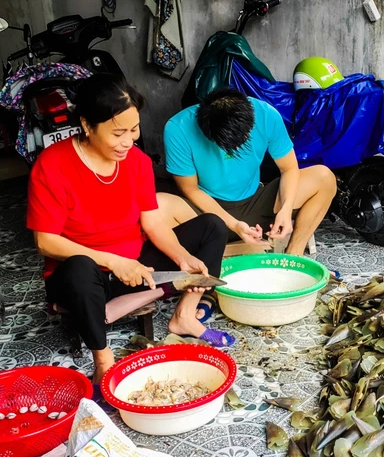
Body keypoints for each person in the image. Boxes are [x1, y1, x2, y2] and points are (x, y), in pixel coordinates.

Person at [27, 73, 233, 385]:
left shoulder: (136, 161)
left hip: (137, 267)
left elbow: (151, 221)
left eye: (134, 130)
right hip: (82, 278)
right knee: (81, 269)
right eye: (118, 133)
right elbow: (46, 241)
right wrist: (112, 261)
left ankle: (185, 317)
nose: (129, 141)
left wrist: (181, 256)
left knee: (211, 227)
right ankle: (103, 359)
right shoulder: (53, 164)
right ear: (86, 125)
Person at [163, 88, 337, 256]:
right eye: (230, 145)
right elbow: (190, 189)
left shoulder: (266, 115)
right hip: (206, 213)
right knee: (158, 207)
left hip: (255, 203)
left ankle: (294, 255)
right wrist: (234, 224)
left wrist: (286, 208)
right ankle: (212, 256)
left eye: (243, 140)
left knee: (324, 178)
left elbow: (289, 168)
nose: (237, 147)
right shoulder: (178, 128)